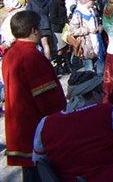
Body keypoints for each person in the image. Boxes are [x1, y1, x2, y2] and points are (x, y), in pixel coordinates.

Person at [2, 11, 66, 181]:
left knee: (30, 172)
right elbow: (46, 95)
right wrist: (59, 117)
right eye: (39, 28)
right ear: (33, 30)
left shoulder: (10, 53)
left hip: (20, 123)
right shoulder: (31, 57)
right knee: (42, 173)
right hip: (35, 124)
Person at [69, 0, 102, 73]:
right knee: (89, 70)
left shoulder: (91, 10)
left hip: (97, 42)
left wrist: (99, 27)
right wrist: (88, 30)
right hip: (86, 45)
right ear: (87, 1)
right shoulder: (78, 13)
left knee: (100, 69)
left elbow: (95, 23)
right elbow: (73, 31)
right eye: (92, 0)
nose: (93, 2)